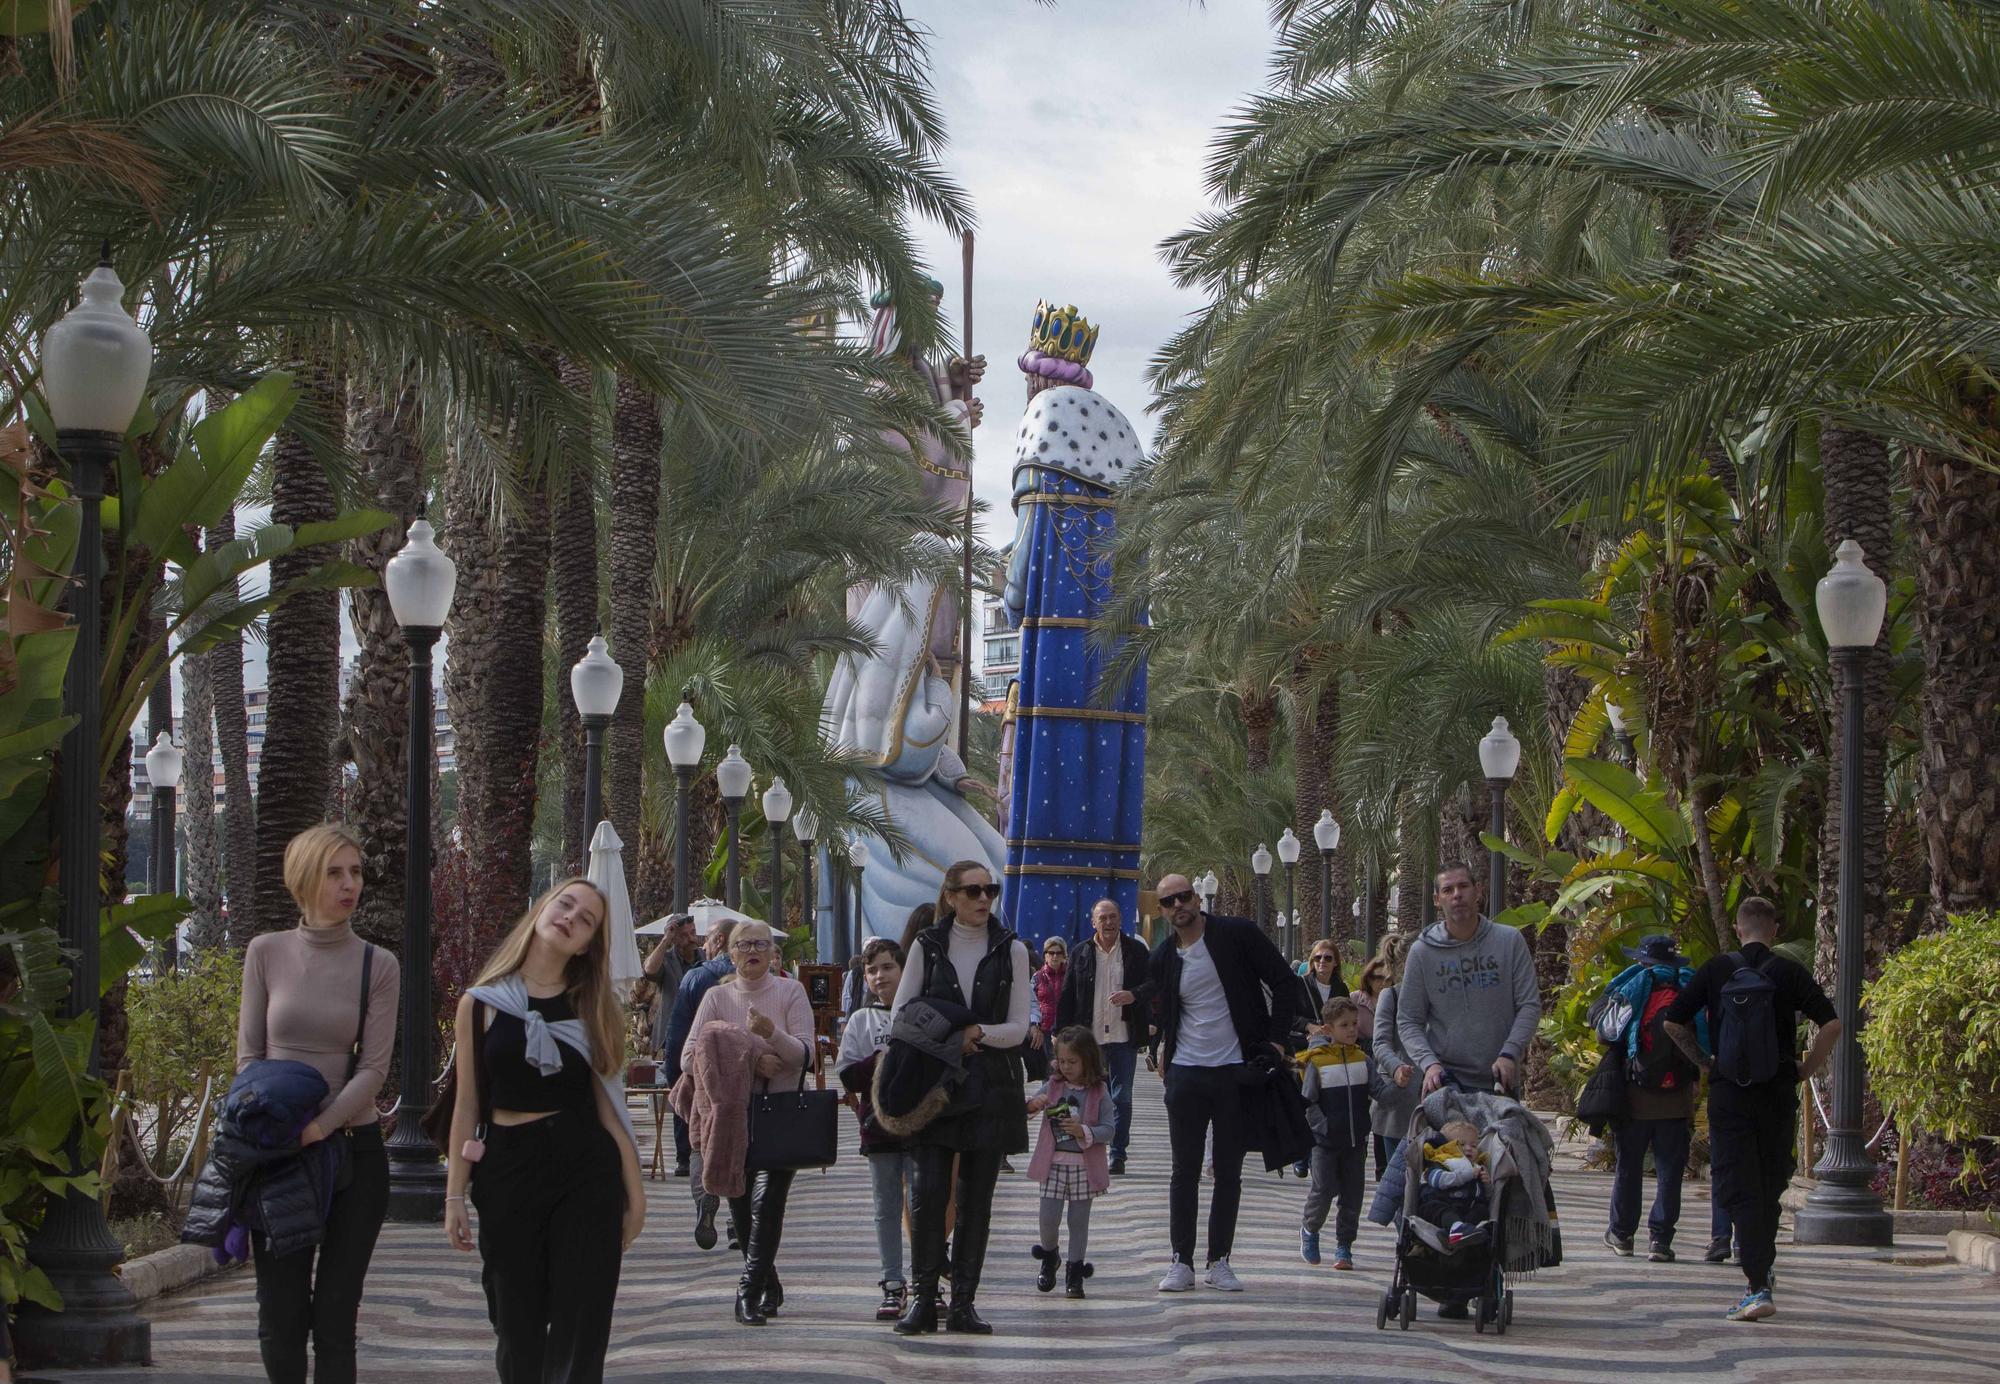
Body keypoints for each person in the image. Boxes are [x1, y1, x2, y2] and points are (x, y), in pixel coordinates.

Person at [443, 878, 644, 1384]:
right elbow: (467, 1104)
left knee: (583, 1321)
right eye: (565, 904)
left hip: (583, 1167)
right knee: (515, 1323)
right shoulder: (481, 1004)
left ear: (586, 946)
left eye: (586, 920)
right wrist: (453, 1196)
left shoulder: (591, 1009)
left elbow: (608, 1109)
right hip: (507, 1168)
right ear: (541, 908)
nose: (571, 918)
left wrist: (635, 1194)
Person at [235, 824, 400, 1384]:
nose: (350, 884)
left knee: (334, 1319)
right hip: (279, 1154)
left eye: (355, 872)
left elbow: (374, 1068)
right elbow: (248, 1057)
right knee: (279, 1317)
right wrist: (282, 1125)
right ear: (304, 877)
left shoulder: (378, 965)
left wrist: (321, 1125)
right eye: (336, 872)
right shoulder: (266, 952)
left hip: (353, 1152)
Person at [1663, 897, 1839, 1323]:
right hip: (1777, 1090)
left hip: (1729, 1094)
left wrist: (1706, 1063)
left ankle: (1757, 1283)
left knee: (1737, 1185)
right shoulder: (1789, 971)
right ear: (1774, 930)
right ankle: (1761, 1273)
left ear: (1740, 930)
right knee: (1769, 1183)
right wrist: (1805, 1068)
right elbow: (1832, 1024)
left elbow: (1673, 1021)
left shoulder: (1716, 969)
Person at [889, 860, 1031, 1335]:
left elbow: (1019, 1027)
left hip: (991, 1084)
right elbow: (901, 1015)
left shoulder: (1011, 949)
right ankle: (923, 1298)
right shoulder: (928, 946)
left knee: (977, 1200)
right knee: (928, 1196)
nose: (982, 899)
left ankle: (964, 1303)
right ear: (949, 895)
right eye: (972, 891)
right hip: (935, 1085)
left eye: (989, 889)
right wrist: (952, 1041)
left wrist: (977, 1034)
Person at [1146, 872, 1301, 1294]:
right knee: (1184, 1171)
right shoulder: (1163, 957)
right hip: (1186, 1074)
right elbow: (1162, 1010)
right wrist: (1161, 1046)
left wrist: (1274, 1040)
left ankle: (1220, 1261)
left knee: (1228, 1171)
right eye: (1167, 901)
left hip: (1236, 1071)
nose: (1177, 905)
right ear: (1161, 910)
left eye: (1183, 896)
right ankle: (1181, 1260)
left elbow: (1286, 982)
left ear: (1196, 898)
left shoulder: (1237, 934)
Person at [681, 919, 816, 1326]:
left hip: (780, 1114)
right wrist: (752, 1056)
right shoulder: (716, 998)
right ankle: (768, 1285)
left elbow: (804, 1056)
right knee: (740, 1207)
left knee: (768, 1202)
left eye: (761, 944)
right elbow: (689, 1058)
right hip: (729, 1119)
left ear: (774, 954)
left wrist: (771, 1033)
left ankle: (747, 1291)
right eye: (743, 945)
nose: (752, 951)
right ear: (730, 952)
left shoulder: (790, 991)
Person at [1599, 934, 1701, 1263]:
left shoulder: (1634, 987)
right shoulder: (1689, 990)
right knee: (1670, 1170)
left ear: (1643, 960)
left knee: (1628, 1166)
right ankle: (1660, 1240)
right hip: (1678, 1099)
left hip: (1635, 1096)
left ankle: (1622, 1234)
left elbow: (1606, 1032)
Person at [1398, 864, 1541, 1097]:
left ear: (1478, 891)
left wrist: (1510, 1053)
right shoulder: (1422, 952)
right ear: (1437, 899)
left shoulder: (1509, 941)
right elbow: (1408, 1019)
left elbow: (1529, 1005)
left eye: (1463, 886)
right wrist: (1429, 1064)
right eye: (1448, 890)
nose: (1457, 895)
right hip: (1446, 1081)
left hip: (1499, 1079)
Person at [833, 937, 913, 1321]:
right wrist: (879, 1060)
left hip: (922, 1126)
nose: (880, 976)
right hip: (878, 1127)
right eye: (872, 970)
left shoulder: (919, 1012)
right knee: (886, 1207)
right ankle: (893, 1282)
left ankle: (930, 1281)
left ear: (903, 969)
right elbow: (847, 1073)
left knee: (924, 1206)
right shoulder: (862, 1020)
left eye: (888, 967)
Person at [1298, 996, 1399, 1271]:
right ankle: (1310, 1228)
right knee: (1323, 1189)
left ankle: (1344, 1246)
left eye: (1355, 1024)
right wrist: (1323, 1127)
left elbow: (1379, 1092)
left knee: (1352, 1195)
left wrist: (1399, 1084)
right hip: (1325, 1143)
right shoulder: (1317, 1063)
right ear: (1329, 1030)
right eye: (1345, 1025)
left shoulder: (1363, 1061)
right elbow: (1308, 1102)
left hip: (1356, 1142)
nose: (1353, 1030)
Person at [1055, 897, 1151, 1175]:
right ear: (1093, 922)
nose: (1108, 922)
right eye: (1103, 918)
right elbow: (1067, 995)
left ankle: (1118, 1153)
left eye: (1113, 917)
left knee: (1122, 1097)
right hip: (1090, 1040)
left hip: (1124, 1038)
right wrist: (1061, 1035)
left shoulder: (1135, 951)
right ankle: (1090, 1147)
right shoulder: (1080, 952)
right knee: (1091, 1097)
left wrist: (1134, 995)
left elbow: (1153, 983)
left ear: (1121, 919)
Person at [662, 918, 738, 1250]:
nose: (702, 945)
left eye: (706, 939)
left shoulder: (696, 977)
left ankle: (703, 1200)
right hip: (740, 1077)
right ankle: (737, 1221)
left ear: (718, 940)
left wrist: (675, 1080)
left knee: (697, 1143)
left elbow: (677, 1037)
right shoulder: (755, 978)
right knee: (739, 1142)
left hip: (700, 1075)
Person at [1024, 1027, 1116, 1299]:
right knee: (1048, 1218)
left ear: (1087, 1059)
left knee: (1078, 1221)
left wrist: (1084, 1131)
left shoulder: (1099, 1091)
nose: (1066, 1067)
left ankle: (1075, 1272)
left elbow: (1109, 1129)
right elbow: (1028, 1108)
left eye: (1072, 1062)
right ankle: (1049, 1255)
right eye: (1062, 1061)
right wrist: (1033, 1104)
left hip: (1084, 1167)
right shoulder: (1054, 1085)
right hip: (1052, 1165)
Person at [640, 913, 698, 1176]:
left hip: (700, 1035)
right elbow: (649, 970)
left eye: (692, 933)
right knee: (679, 1095)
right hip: (675, 1036)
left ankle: (700, 1149)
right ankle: (683, 1157)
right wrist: (666, 940)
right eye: (684, 935)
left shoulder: (703, 961)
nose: (690, 939)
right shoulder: (669, 960)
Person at [1368, 934, 1419, 1180]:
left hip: (1434, 1100)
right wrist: (1397, 1068)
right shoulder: (1392, 996)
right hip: (1399, 1099)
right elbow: (1380, 1043)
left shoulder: (1441, 997)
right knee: (1397, 1183)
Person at [1033, 937, 1067, 1039]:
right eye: (1051, 953)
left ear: (1064, 955)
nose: (1055, 956)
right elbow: (1031, 1003)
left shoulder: (1071, 975)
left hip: (1066, 1030)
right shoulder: (1037, 977)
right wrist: (1034, 1025)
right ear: (1045, 955)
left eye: (1059, 953)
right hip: (1043, 1031)